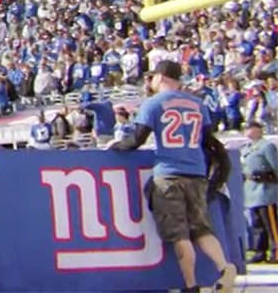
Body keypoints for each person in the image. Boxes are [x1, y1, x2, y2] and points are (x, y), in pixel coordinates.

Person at [109, 60, 237, 292]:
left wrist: (116, 146)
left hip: (168, 174)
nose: (150, 81)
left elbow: (136, 140)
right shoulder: (198, 105)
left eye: (153, 77)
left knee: (180, 235)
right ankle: (224, 267)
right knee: (202, 229)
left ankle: (190, 285)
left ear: (162, 77)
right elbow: (208, 141)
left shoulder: (154, 104)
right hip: (196, 174)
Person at [241, 121, 278, 263]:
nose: (247, 131)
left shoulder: (266, 147)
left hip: (265, 190)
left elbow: (276, 166)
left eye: (249, 128)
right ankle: (259, 251)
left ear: (258, 130)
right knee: (257, 224)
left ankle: (276, 251)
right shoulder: (247, 148)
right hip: (252, 190)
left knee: (271, 224)